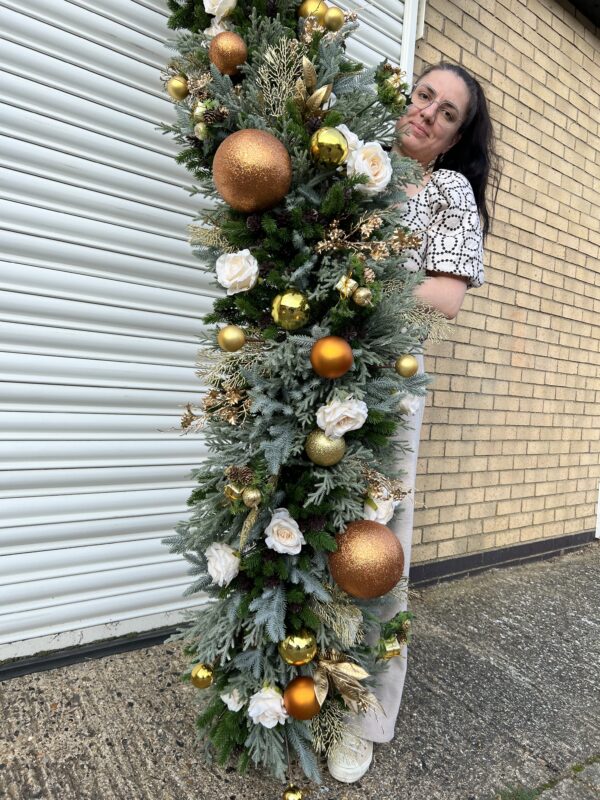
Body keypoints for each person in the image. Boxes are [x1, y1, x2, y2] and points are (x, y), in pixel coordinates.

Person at [327, 62, 501, 784]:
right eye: (425, 96)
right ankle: (294, 683)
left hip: (389, 389)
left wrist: (358, 276)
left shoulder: (446, 190)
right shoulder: (350, 167)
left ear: (456, 139)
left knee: (377, 550)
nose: (429, 113)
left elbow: (447, 295)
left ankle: (366, 717)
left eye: (449, 114)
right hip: (315, 371)